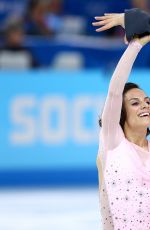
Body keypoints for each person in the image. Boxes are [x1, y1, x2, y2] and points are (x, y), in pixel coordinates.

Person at [92, 13, 150, 229]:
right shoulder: (113, 143)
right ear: (121, 114)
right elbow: (115, 92)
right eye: (135, 103)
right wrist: (136, 45)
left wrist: (139, 20)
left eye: (147, 101)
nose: (144, 105)